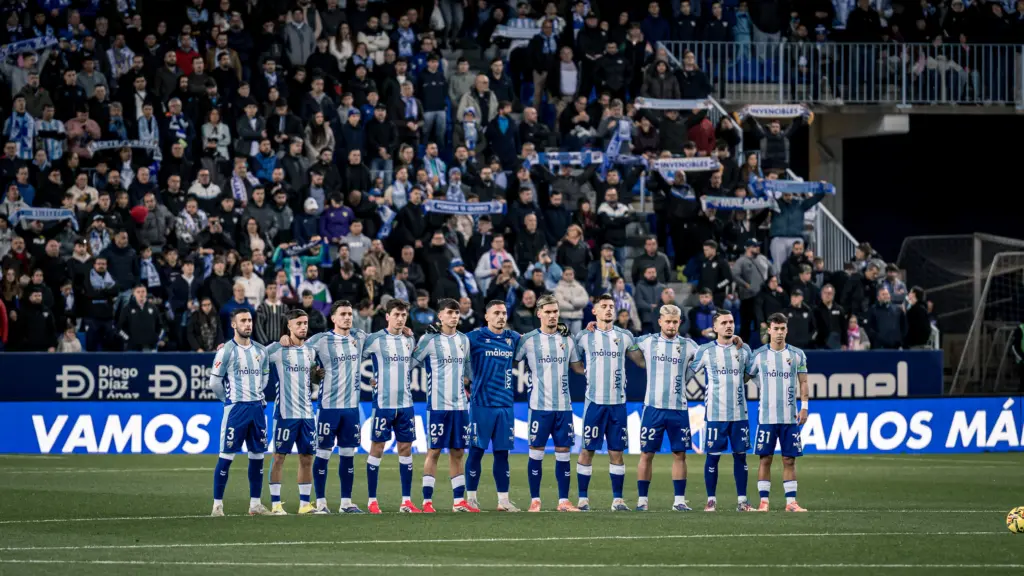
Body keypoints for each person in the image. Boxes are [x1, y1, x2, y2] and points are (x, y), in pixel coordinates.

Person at [573, 294, 640, 512]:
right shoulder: (584, 336)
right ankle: (582, 499)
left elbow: (640, 359)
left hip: (618, 404)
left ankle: (618, 500)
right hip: (594, 403)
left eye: (611, 306)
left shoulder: (625, 336)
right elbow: (573, 360)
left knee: (617, 452)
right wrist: (588, 374)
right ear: (594, 311)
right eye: (604, 306)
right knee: (587, 450)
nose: (609, 310)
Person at [411, 299, 478, 513]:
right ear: (440, 316)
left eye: (456, 313)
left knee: (458, 452)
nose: (454, 316)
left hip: (460, 406)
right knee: (434, 451)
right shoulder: (429, 340)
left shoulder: (464, 340)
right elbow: (411, 361)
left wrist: (470, 383)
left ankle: (459, 502)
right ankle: (427, 501)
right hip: (438, 406)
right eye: (449, 312)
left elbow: (468, 370)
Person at [516, 294, 581, 512]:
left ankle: (564, 501)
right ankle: (535, 500)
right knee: (536, 451)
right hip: (539, 407)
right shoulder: (528, 340)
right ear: (539, 314)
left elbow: (578, 367)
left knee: (563, 452)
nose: (553, 316)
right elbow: (511, 359)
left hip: (564, 407)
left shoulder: (567, 339)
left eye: (555, 312)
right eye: (548, 312)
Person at [302, 301, 367, 514]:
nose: (347, 317)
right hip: (328, 407)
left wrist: (403, 329)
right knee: (323, 454)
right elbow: (299, 350)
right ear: (333, 318)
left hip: (351, 408)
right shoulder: (321, 340)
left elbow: (385, 337)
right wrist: (312, 369)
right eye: (343, 314)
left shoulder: (360, 337)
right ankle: (320, 503)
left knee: (348, 455)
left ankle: (346, 503)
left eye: (349, 314)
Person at [208, 308, 273, 517]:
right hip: (236, 409)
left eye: (250, 320)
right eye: (243, 321)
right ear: (234, 325)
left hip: (257, 409)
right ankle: (217, 505)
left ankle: (255, 504)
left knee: (258, 456)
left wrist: (257, 393)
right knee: (226, 455)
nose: (248, 324)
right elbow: (214, 382)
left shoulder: (261, 351)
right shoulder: (226, 350)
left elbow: (264, 378)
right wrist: (227, 401)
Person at [632, 304, 697, 511]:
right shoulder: (647, 341)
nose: (671, 325)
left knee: (680, 454)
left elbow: (712, 352)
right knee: (647, 454)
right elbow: (624, 343)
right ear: (660, 321)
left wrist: (735, 341)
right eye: (667, 321)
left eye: (675, 322)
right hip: (653, 408)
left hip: (678, 408)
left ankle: (679, 500)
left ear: (680, 322)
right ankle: (642, 501)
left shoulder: (689, 345)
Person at [690, 309, 755, 512]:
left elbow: (749, 374)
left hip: (739, 413)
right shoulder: (706, 350)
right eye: (724, 322)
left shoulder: (744, 350)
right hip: (716, 414)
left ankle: (742, 501)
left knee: (741, 456)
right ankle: (711, 500)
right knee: (713, 456)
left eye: (731, 322)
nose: (729, 325)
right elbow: (689, 372)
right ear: (715, 327)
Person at [361, 298, 419, 514]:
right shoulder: (375, 339)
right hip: (383, 404)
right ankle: (372, 500)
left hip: (406, 404)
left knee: (405, 449)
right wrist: (370, 380)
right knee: (377, 448)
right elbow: (355, 356)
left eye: (404, 315)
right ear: (387, 316)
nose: (400, 319)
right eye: (396, 314)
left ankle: (406, 501)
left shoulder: (409, 340)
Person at [464, 300, 522, 512]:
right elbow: (451, 345)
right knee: (476, 451)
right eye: (496, 313)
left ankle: (503, 501)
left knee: (502, 453)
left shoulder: (512, 338)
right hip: (482, 404)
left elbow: (535, 342)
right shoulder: (474, 337)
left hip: (505, 405)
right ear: (487, 316)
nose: (501, 317)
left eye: (504, 313)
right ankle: (470, 499)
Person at [748, 312, 809, 513]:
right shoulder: (758, 355)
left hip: (790, 417)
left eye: (783, 329)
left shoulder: (797, 354)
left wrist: (805, 407)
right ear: (770, 330)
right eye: (776, 329)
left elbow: (803, 382)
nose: (780, 333)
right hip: (766, 417)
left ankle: (791, 502)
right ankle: (763, 502)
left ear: (787, 330)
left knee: (789, 459)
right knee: (765, 458)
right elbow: (746, 376)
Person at [266, 309, 319, 515]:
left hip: (307, 414)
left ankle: (304, 504)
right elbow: (254, 353)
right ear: (289, 326)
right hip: (285, 414)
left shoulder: (310, 351)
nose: (303, 327)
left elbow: (312, 375)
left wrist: (317, 375)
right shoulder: (277, 349)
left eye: (305, 323)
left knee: (306, 458)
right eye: (298, 323)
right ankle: (276, 504)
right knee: (279, 457)